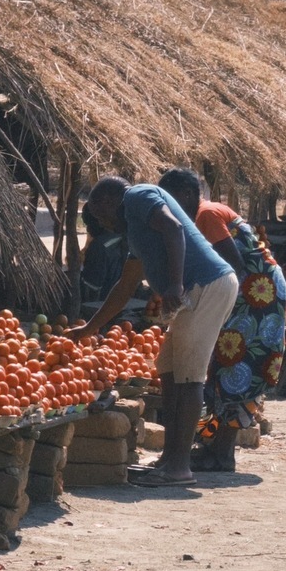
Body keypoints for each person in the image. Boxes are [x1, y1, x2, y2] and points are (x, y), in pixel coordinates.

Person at [68, 176, 237, 487]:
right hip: (198, 291)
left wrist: (174, 285)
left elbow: (173, 228)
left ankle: (179, 469)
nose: (103, 223)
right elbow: (124, 288)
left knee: (189, 378)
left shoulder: (138, 196)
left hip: (206, 287)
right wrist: (89, 329)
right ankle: (169, 459)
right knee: (170, 373)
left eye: (100, 214)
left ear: (108, 202)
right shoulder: (136, 231)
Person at [157, 167, 286, 471]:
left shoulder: (206, 213)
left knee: (236, 363)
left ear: (187, 195)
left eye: (170, 198)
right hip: (250, 292)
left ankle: (223, 453)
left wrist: (216, 308)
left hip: (255, 295)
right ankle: (217, 448)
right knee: (227, 364)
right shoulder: (197, 218)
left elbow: (233, 263)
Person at [78, 215, 126, 302]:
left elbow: (91, 287)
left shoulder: (99, 246)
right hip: (122, 298)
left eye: (89, 223)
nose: (88, 229)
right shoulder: (122, 237)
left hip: (102, 302)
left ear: (101, 220)